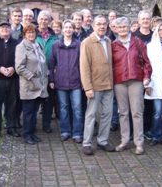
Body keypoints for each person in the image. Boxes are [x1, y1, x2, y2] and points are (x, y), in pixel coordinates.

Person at [112, 17, 152, 155]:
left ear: (129, 27)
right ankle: (124, 141)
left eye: (125, 26)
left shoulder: (138, 42)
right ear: (115, 29)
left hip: (136, 80)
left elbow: (147, 62)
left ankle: (139, 143)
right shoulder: (113, 45)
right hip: (119, 81)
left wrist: (147, 77)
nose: (122, 29)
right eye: (119, 27)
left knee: (137, 112)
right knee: (123, 112)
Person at [80, 15, 115, 155]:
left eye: (104, 24)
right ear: (93, 26)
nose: (102, 26)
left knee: (107, 114)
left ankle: (103, 141)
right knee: (91, 114)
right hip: (94, 85)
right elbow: (84, 66)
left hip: (108, 84)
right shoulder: (87, 42)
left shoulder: (108, 41)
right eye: (99, 24)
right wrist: (87, 87)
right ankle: (86, 143)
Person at [49, 20, 84, 143]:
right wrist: (52, 80)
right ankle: (65, 131)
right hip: (61, 81)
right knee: (63, 108)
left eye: (70, 27)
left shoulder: (79, 45)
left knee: (77, 108)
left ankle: (77, 133)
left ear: (74, 29)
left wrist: (83, 81)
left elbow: (83, 64)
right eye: (66, 27)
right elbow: (52, 64)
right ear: (62, 29)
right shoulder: (56, 45)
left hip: (76, 82)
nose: (68, 29)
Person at [15, 24, 49, 145]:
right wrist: (31, 76)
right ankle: (27, 135)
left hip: (39, 85)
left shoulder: (37, 45)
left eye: (33, 32)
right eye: (28, 33)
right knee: (28, 112)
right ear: (24, 34)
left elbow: (42, 63)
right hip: (29, 85)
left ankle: (32, 133)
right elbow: (19, 67)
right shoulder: (21, 47)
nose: (31, 34)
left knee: (34, 111)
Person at [36, 10, 58, 133]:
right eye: (41, 19)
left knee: (49, 100)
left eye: (46, 19)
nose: (44, 21)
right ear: (38, 20)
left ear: (49, 21)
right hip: (36, 72)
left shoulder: (54, 37)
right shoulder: (32, 34)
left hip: (50, 72)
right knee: (35, 99)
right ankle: (33, 123)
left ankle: (46, 124)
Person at [134, 10, 153, 139]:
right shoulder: (133, 36)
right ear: (139, 21)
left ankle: (147, 129)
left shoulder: (155, 35)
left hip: (153, 73)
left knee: (149, 103)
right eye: (143, 19)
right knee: (136, 104)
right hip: (138, 73)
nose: (145, 21)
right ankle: (135, 131)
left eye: (147, 18)